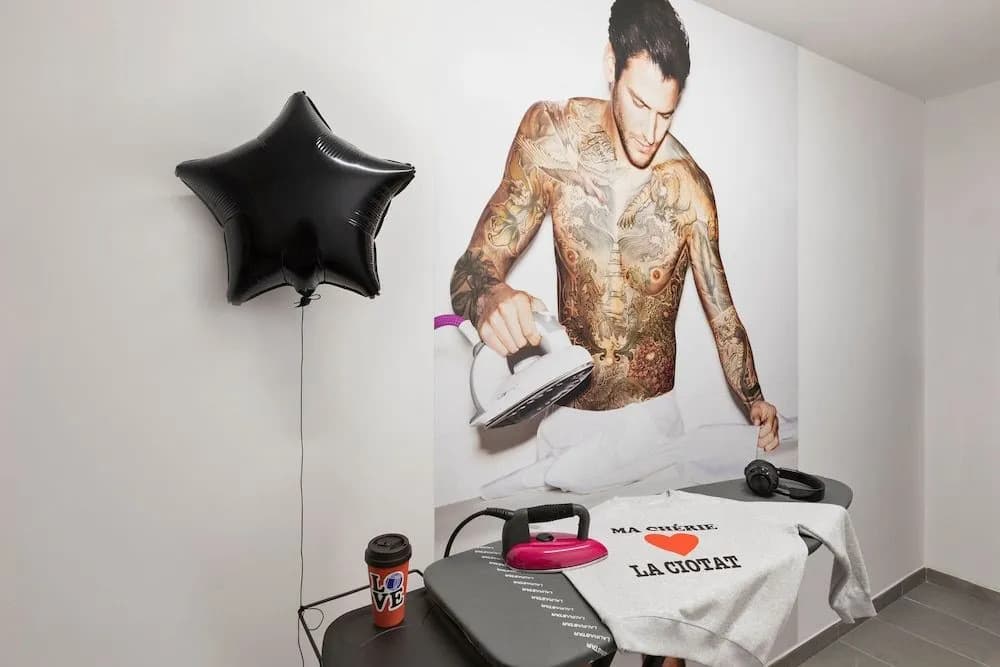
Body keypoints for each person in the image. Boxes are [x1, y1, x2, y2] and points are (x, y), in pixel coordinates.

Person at [450, 3, 782, 660]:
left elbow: (722, 311)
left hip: (655, 426)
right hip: (571, 421)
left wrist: (755, 397)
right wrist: (491, 296)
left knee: (670, 618)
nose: (652, 131)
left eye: (667, 114)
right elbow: (472, 267)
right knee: (578, 621)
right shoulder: (551, 137)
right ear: (610, 65)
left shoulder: (689, 190)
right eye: (639, 104)